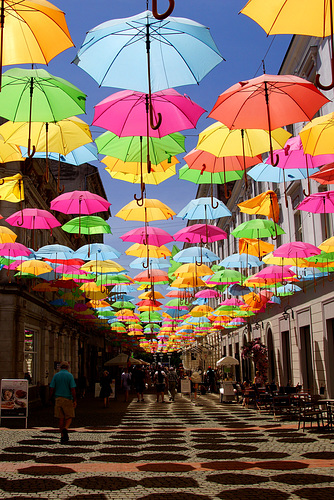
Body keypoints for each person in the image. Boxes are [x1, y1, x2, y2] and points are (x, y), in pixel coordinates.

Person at [49, 361, 77, 444]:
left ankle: (62, 436)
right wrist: (75, 399)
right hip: (67, 398)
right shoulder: (70, 376)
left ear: (60, 367)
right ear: (67, 367)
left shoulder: (56, 375)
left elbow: (51, 388)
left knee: (60, 418)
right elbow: (73, 389)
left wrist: (50, 398)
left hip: (58, 398)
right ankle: (66, 428)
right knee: (69, 416)